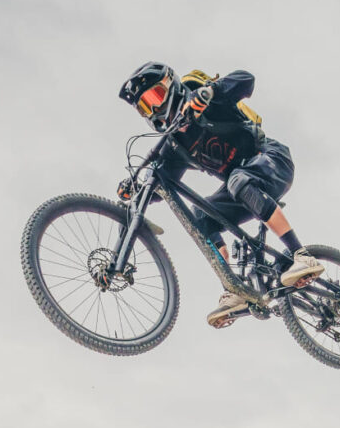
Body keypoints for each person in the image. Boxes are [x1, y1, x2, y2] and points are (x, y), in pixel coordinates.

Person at [118, 63, 324, 328]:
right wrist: (137, 188)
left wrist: (209, 93)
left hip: (271, 160)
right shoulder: (175, 145)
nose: (154, 109)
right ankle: (234, 288)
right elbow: (160, 185)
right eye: (145, 106)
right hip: (242, 187)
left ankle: (302, 254)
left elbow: (246, 79)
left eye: (155, 97)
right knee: (200, 216)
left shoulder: (201, 96)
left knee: (237, 178)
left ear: (171, 86)